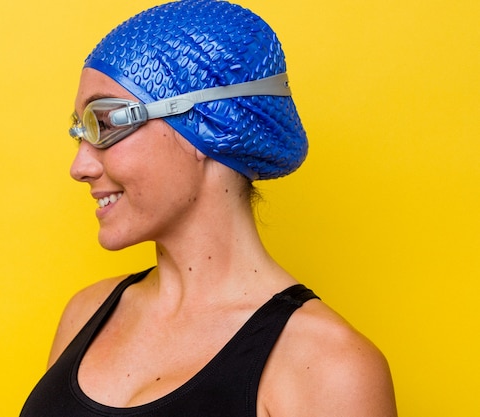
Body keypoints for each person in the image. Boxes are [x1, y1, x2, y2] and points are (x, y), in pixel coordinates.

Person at [20, 0, 397, 416]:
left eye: (105, 125)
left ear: (207, 123)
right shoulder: (86, 313)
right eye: (80, 133)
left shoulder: (325, 366)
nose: (80, 167)